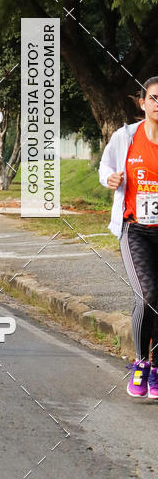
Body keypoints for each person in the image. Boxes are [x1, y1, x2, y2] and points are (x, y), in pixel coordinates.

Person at [100, 76, 158, 399]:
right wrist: (110, 178)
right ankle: (140, 363)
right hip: (134, 228)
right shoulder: (126, 137)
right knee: (148, 296)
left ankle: (157, 369)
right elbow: (104, 166)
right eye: (153, 98)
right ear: (143, 103)